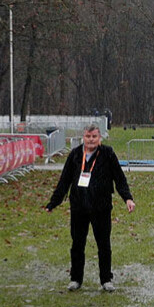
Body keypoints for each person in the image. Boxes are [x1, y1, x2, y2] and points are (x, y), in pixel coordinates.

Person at [44, 124, 135, 292]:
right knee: (77, 244)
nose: (91, 139)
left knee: (104, 245)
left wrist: (127, 198)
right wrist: (53, 203)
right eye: (88, 136)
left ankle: (106, 279)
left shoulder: (108, 154)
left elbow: (119, 178)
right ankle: (76, 278)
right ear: (83, 137)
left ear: (99, 138)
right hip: (79, 207)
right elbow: (64, 181)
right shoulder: (75, 155)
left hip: (101, 207)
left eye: (94, 136)